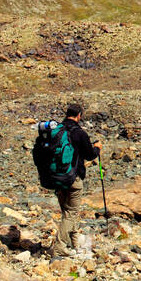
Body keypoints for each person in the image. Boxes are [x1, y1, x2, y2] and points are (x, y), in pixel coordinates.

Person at [49, 104, 101, 260]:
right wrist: (97, 148)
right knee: (71, 214)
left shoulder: (55, 131)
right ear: (79, 115)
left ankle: (74, 243)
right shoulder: (80, 133)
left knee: (68, 212)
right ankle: (59, 248)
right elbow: (90, 155)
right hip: (73, 178)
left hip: (56, 177)